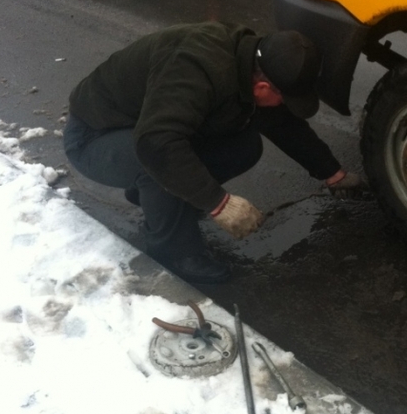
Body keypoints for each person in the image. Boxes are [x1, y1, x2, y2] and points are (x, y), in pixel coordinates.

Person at [63, 21, 365, 285]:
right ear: (261, 86)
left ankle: (161, 200)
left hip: (143, 127)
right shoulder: (197, 67)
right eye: (286, 99)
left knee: (244, 145)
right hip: (95, 137)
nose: (287, 107)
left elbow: (281, 123)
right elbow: (156, 144)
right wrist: (218, 203)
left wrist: (332, 173)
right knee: (158, 161)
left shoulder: (248, 59)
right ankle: (173, 253)